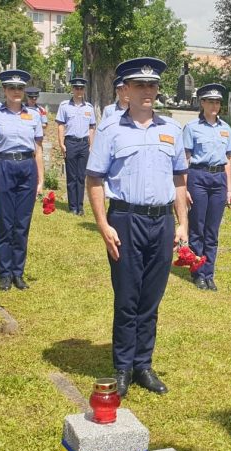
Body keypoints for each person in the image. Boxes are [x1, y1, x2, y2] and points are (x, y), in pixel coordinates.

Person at [87, 57, 188, 398]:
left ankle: (143, 364)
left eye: (153, 85)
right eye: (140, 85)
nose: (148, 91)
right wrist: (103, 224)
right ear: (125, 90)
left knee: (151, 297)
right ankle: (123, 367)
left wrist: (182, 223)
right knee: (127, 296)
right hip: (125, 221)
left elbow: (178, 180)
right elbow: (95, 179)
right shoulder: (110, 130)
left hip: (161, 222)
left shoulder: (172, 130)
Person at [0, 70, 44, 291]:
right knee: (6, 222)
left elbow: (38, 150)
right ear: (5, 91)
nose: (16, 92)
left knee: (22, 224)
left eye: (20, 88)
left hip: (27, 168)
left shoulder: (34, 116)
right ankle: (5, 273)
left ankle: (18, 273)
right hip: (4, 166)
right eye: (11, 88)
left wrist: (41, 180)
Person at [182, 83, 231, 291]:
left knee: (212, 230)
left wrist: (229, 189)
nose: (214, 105)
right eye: (210, 101)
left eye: (217, 102)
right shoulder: (192, 128)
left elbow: (227, 160)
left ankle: (209, 273)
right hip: (198, 177)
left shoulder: (225, 129)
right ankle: (198, 272)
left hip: (218, 179)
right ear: (202, 103)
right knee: (198, 228)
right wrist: (184, 189)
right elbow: (185, 159)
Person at [55, 77, 96, 215]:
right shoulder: (64, 106)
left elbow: (92, 127)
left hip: (84, 144)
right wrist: (61, 143)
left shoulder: (89, 108)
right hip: (70, 143)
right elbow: (60, 125)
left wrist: (91, 144)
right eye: (76, 88)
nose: (79, 91)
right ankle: (72, 207)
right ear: (72, 89)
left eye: (81, 88)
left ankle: (80, 207)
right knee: (72, 176)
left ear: (84, 90)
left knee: (81, 176)